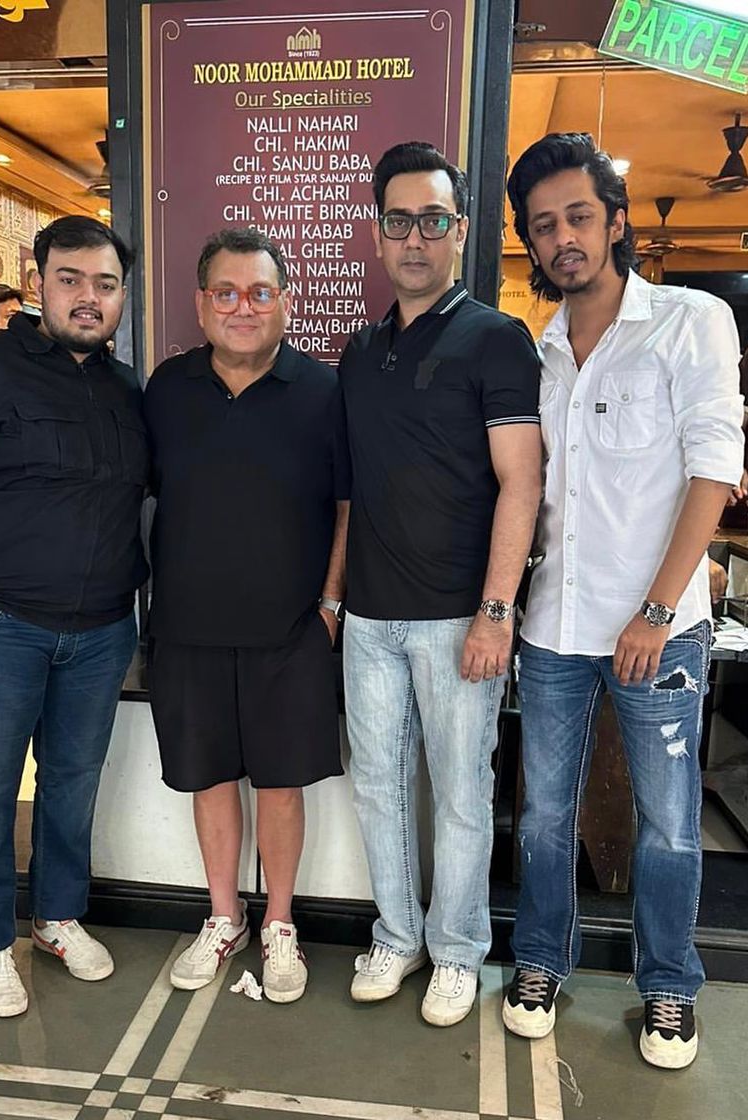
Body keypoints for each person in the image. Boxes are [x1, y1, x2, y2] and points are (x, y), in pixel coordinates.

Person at [503, 133, 745, 1069]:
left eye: (577, 216)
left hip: (660, 632)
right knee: (543, 813)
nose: (562, 237)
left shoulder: (688, 322)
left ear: (615, 221)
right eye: (543, 225)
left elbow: (713, 472)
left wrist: (656, 610)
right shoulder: (540, 351)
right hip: (554, 628)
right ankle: (540, 961)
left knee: (669, 823)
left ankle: (669, 985)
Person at [0, 216, 147, 1018]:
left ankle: (56, 918)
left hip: (101, 630)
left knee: (73, 784)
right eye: (71, 279)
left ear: (122, 295)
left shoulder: (126, 389)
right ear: (38, 282)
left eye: (105, 284)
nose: (88, 297)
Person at [339, 142, 543, 1027]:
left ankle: (457, 951)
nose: (415, 238)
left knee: (462, 794)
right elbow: (350, 490)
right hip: (370, 617)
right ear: (378, 232)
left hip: (460, 616)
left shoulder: (497, 338)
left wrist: (496, 611)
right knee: (377, 787)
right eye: (399, 221)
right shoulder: (362, 350)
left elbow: (522, 483)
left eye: (433, 220)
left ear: (460, 230)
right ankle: (398, 935)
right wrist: (336, 598)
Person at [143, 228, 348, 1004]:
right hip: (187, 625)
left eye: (261, 292)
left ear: (285, 302)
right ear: (201, 304)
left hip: (292, 629)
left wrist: (330, 604)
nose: (243, 307)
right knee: (209, 779)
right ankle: (224, 917)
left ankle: (280, 924)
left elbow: (348, 506)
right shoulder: (166, 388)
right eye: (226, 292)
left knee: (282, 783)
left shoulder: (323, 391)